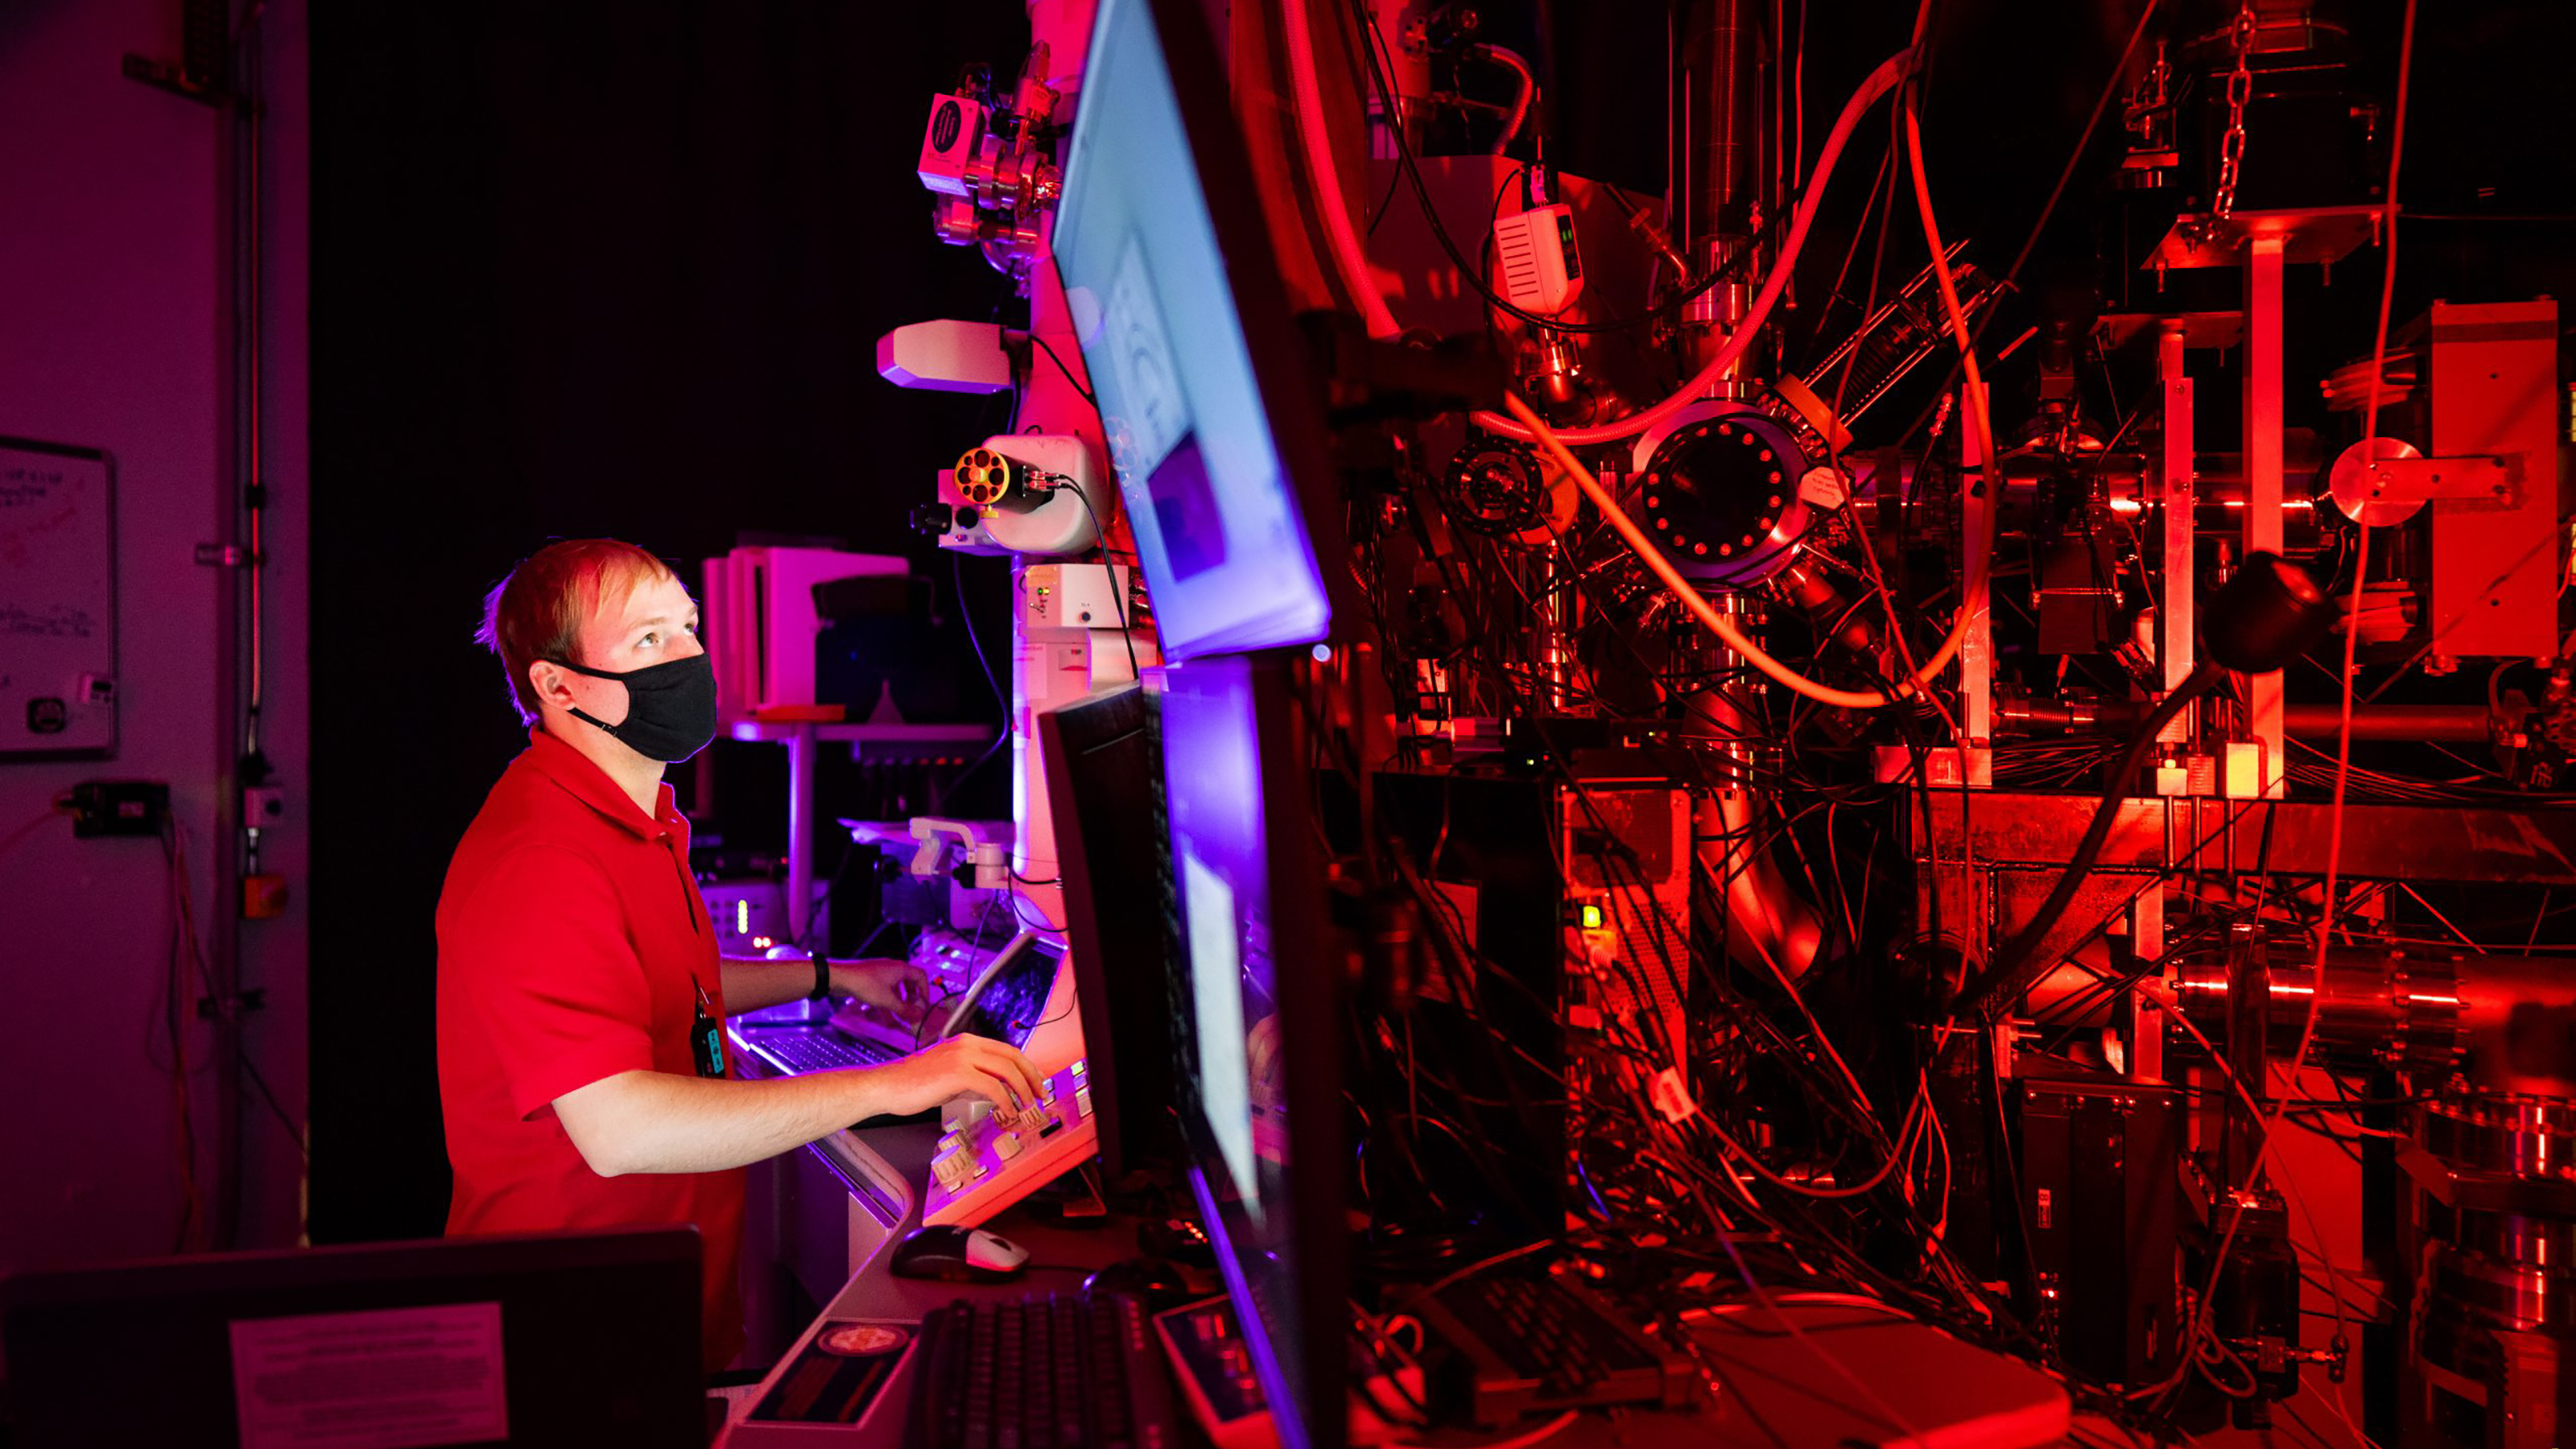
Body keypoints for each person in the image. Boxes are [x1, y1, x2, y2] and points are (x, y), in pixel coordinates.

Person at [436, 538, 1040, 1370]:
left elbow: (668, 982)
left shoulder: (634, 820)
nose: (687, 657)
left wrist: (834, 977)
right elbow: (618, 1130)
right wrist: (896, 1081)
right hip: (574, 1336)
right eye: (647, 641)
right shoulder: (542, 857)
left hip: (659, 1306)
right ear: (557, 685)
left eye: (685, 630)